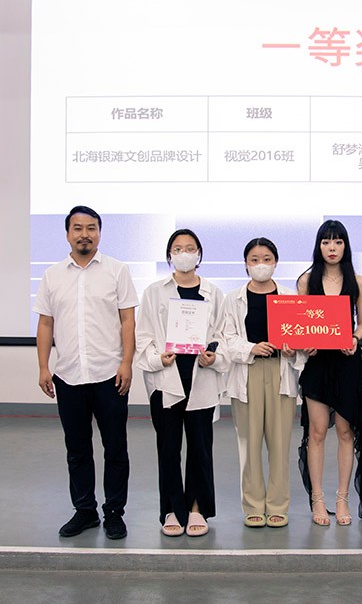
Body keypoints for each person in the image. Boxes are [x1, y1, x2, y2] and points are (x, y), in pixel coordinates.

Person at [34, 205, 138, 540]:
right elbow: (46, 323)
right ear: (68, 234)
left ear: (99, 233)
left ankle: (114, 513)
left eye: (91, 228)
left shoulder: (117, 270)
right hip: (68, 376)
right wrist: (43, 367)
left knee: (115, 448)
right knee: (77, 450)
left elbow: (127, 320)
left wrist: (126, 363)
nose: (84, 234)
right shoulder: (52, 275)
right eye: (77, 228)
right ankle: (85, 511)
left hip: (110, 375)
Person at [135, 229, 227, 537]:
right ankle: (172, 509)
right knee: (168, 448)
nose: (184, 253)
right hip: (167, 380)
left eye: (190, 248)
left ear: (199, 254)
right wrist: (157, 359)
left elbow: (223, 335)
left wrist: (215, 356)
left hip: (202, 377)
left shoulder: (214, 293)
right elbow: (143, 336)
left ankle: (197, 507)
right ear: (169, 255)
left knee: (200, 447)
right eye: (178, 248)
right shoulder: (154, 292)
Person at [222, 238, 303, 528]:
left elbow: (300, 336)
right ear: (246, 264)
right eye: (254, 259)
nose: (261, 265)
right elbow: (227, 337)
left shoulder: (289, 297)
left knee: (280, 445)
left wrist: (293, 349)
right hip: (248, 372)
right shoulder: (233, 299)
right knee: (249, 444)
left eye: (267, 259)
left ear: (276, 262)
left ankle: (278, 505)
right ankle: (253, 505)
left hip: (281, 373)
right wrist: (251, 348)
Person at [297, 219, 362, 526]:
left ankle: (342, 499)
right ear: (319, 245)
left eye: (338, 242)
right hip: (317, 363)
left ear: (345, 246)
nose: (332, 248)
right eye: (326, 242)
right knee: (316, 432)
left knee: (345, 432)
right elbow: (300, 322)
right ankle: (318, 499)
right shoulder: (306, 281)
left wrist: (354, 338)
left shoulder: (358, 281)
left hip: (346, 362)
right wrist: (306, 342)